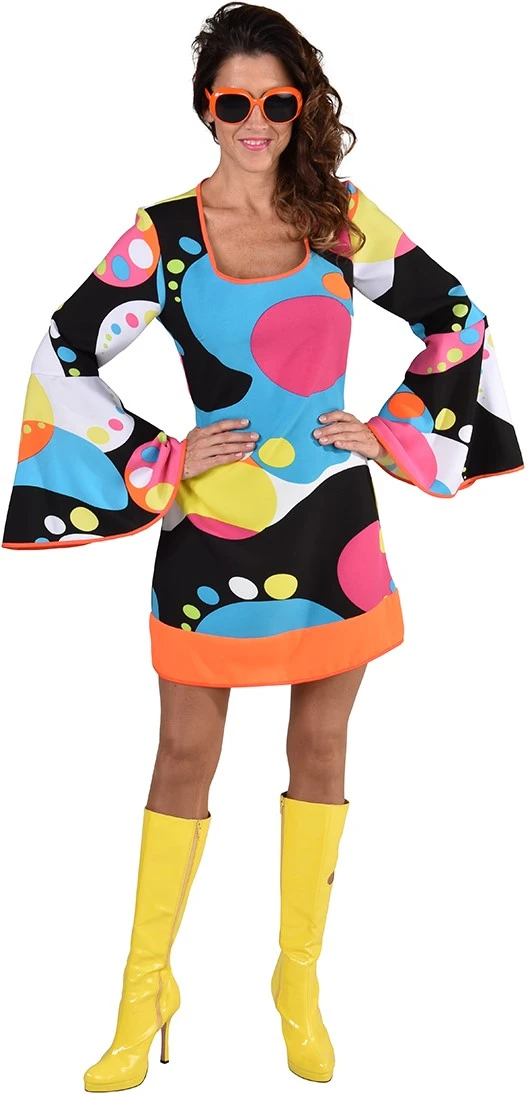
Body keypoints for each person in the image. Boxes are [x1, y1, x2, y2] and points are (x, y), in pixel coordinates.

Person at [2, 2, 524, 1089]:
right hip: (207, 528)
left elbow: (456, 317)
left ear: (300, 107)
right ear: (206, 107)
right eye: (233, 102)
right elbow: (62, 353)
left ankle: (297, 982)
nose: (254, 122)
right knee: (183, 754)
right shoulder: (163, 234)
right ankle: (142, 993)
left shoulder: (337, 218)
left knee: (320, 750)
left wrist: (390, 431)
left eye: (275, 103)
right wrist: (160, 455)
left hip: (333, 524)